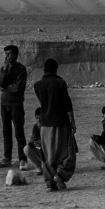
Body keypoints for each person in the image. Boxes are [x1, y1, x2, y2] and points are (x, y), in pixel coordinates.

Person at [31, 58, 76, 191]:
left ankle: (50, 183)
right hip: (61, 123)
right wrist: (72, 121)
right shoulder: (60, 83)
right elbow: (67, 104)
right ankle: (61, 176)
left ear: (44, 70)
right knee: (67, 153)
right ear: (56, 69)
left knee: (48, 155)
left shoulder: (37, 85)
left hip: (45, 125)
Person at [0, 44, 28, 169]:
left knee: (19, 131)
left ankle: (23, 159)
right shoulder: (4, 68)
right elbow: (1, 83)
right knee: (6, 131)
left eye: (9, 54)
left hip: (16, 104)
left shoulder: (21, 69)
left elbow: (18, 88)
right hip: (4, 103)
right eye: (5, 54)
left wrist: (6, 88)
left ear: (15, 55)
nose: (7, 56)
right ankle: (7, 158)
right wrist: (6, 69)